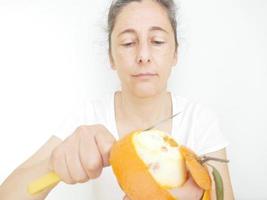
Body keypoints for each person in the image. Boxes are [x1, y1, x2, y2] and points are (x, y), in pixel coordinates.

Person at [0, 0, 234, 199]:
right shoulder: (88, 119)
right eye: (128, 43)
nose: (143, 55)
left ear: (175, 53)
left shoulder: (200, 121)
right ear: (111, 57)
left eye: (158, 41)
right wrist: (52, 164)